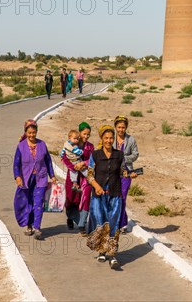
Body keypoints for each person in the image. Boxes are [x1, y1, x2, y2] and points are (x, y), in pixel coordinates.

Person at [86, 125, 136, 269]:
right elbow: (90, 175)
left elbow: (123, 172)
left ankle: (113, 255)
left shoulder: (119, 155)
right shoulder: (95, 155)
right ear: (101, 138)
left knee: (114, 223)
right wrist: (96, 186)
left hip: (115, 194)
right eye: (106, 138)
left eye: (111, 138)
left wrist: (130, 174)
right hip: (98, 196)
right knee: (100, 222)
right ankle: (102, 250)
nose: (109, 140)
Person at [13, 119, 56, 240]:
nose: (32, 135)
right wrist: (17, 177)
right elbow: (16, 164)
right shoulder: (21, 146)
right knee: (27, 202)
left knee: (38, 203)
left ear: (37, 132)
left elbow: (48, 161)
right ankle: (29, 225)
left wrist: (52, 175)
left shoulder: (42, 145)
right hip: (26, 179)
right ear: (25, 132)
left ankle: (37, 228)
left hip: (40, 178)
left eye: (34, 132)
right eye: (29, 133)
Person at [61, 122, 94, 234]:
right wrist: (73, 167)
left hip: (85, 177)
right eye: (84, 134)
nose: (86, 136)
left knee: (85, 199)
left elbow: (93, 160)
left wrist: (83, 163)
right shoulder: (72, 144)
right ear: (79, 133)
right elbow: (64, 158)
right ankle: (70, 217)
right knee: (71, 198)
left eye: (88, 134)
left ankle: (82, 224)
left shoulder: (90, 146)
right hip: (73, 175)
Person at [113, 115, 139, 233]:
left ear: (126, 127)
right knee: (114, 198)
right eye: (119, 127)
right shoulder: (110, 139)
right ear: (115, 127)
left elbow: (135, 154)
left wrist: (123, 158)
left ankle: (122, 223)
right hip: (112, 172)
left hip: (126, 173)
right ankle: (117, 220)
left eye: (123, 127)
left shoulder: (131, 140)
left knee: (122, 197)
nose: (121, 130)